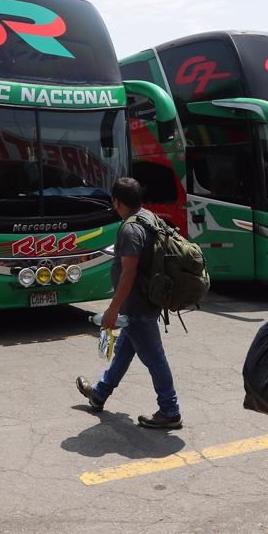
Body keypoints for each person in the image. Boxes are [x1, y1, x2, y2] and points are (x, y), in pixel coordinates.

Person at [75, 177, 182, 429]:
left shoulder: (130, 229)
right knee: (125, 348)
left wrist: (113, 310)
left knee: (155, 358)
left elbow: (129, 273)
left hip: (137, 306)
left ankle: (170, 410)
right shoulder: (148, 216)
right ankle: (100, 393)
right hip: (144, 302)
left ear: (116, 201)